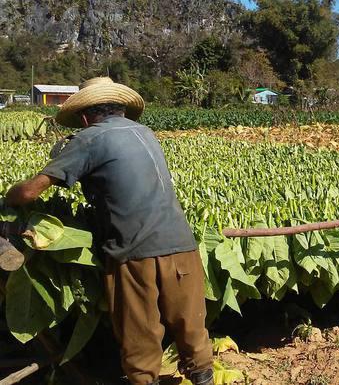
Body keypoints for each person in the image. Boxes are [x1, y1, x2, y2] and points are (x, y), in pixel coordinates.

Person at [4, 77, 213, 385]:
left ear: (86, 116)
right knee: (191, 325)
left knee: (139, 333)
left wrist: (9, 196)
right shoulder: (145, 132)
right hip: (182, 244)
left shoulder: (89, 138)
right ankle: (203, 377)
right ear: (121, 109)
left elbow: (30, 193)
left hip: (135, 250)